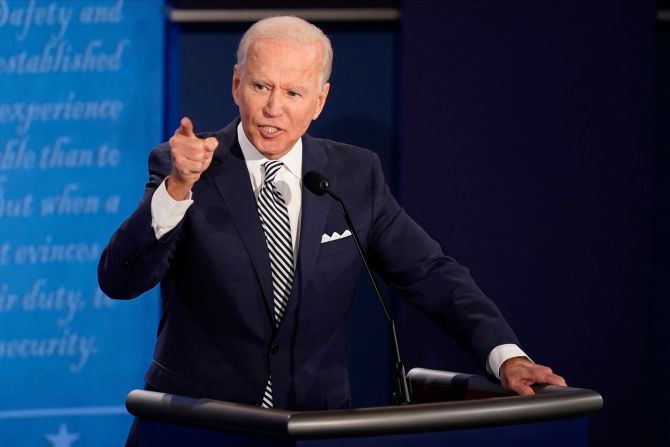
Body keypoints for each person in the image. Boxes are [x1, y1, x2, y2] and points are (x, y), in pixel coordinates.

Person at [98, 15, 565, 424]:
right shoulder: (186, 165)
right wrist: (177, 189)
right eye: (261, 86)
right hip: (199, 424)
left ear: (319, 101)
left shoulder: (354, 175)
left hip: (314, 424)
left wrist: (505, 356)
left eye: (293, 92)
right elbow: (120, 280)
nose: (273, 108)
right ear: (236, 83)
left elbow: (431, 274)